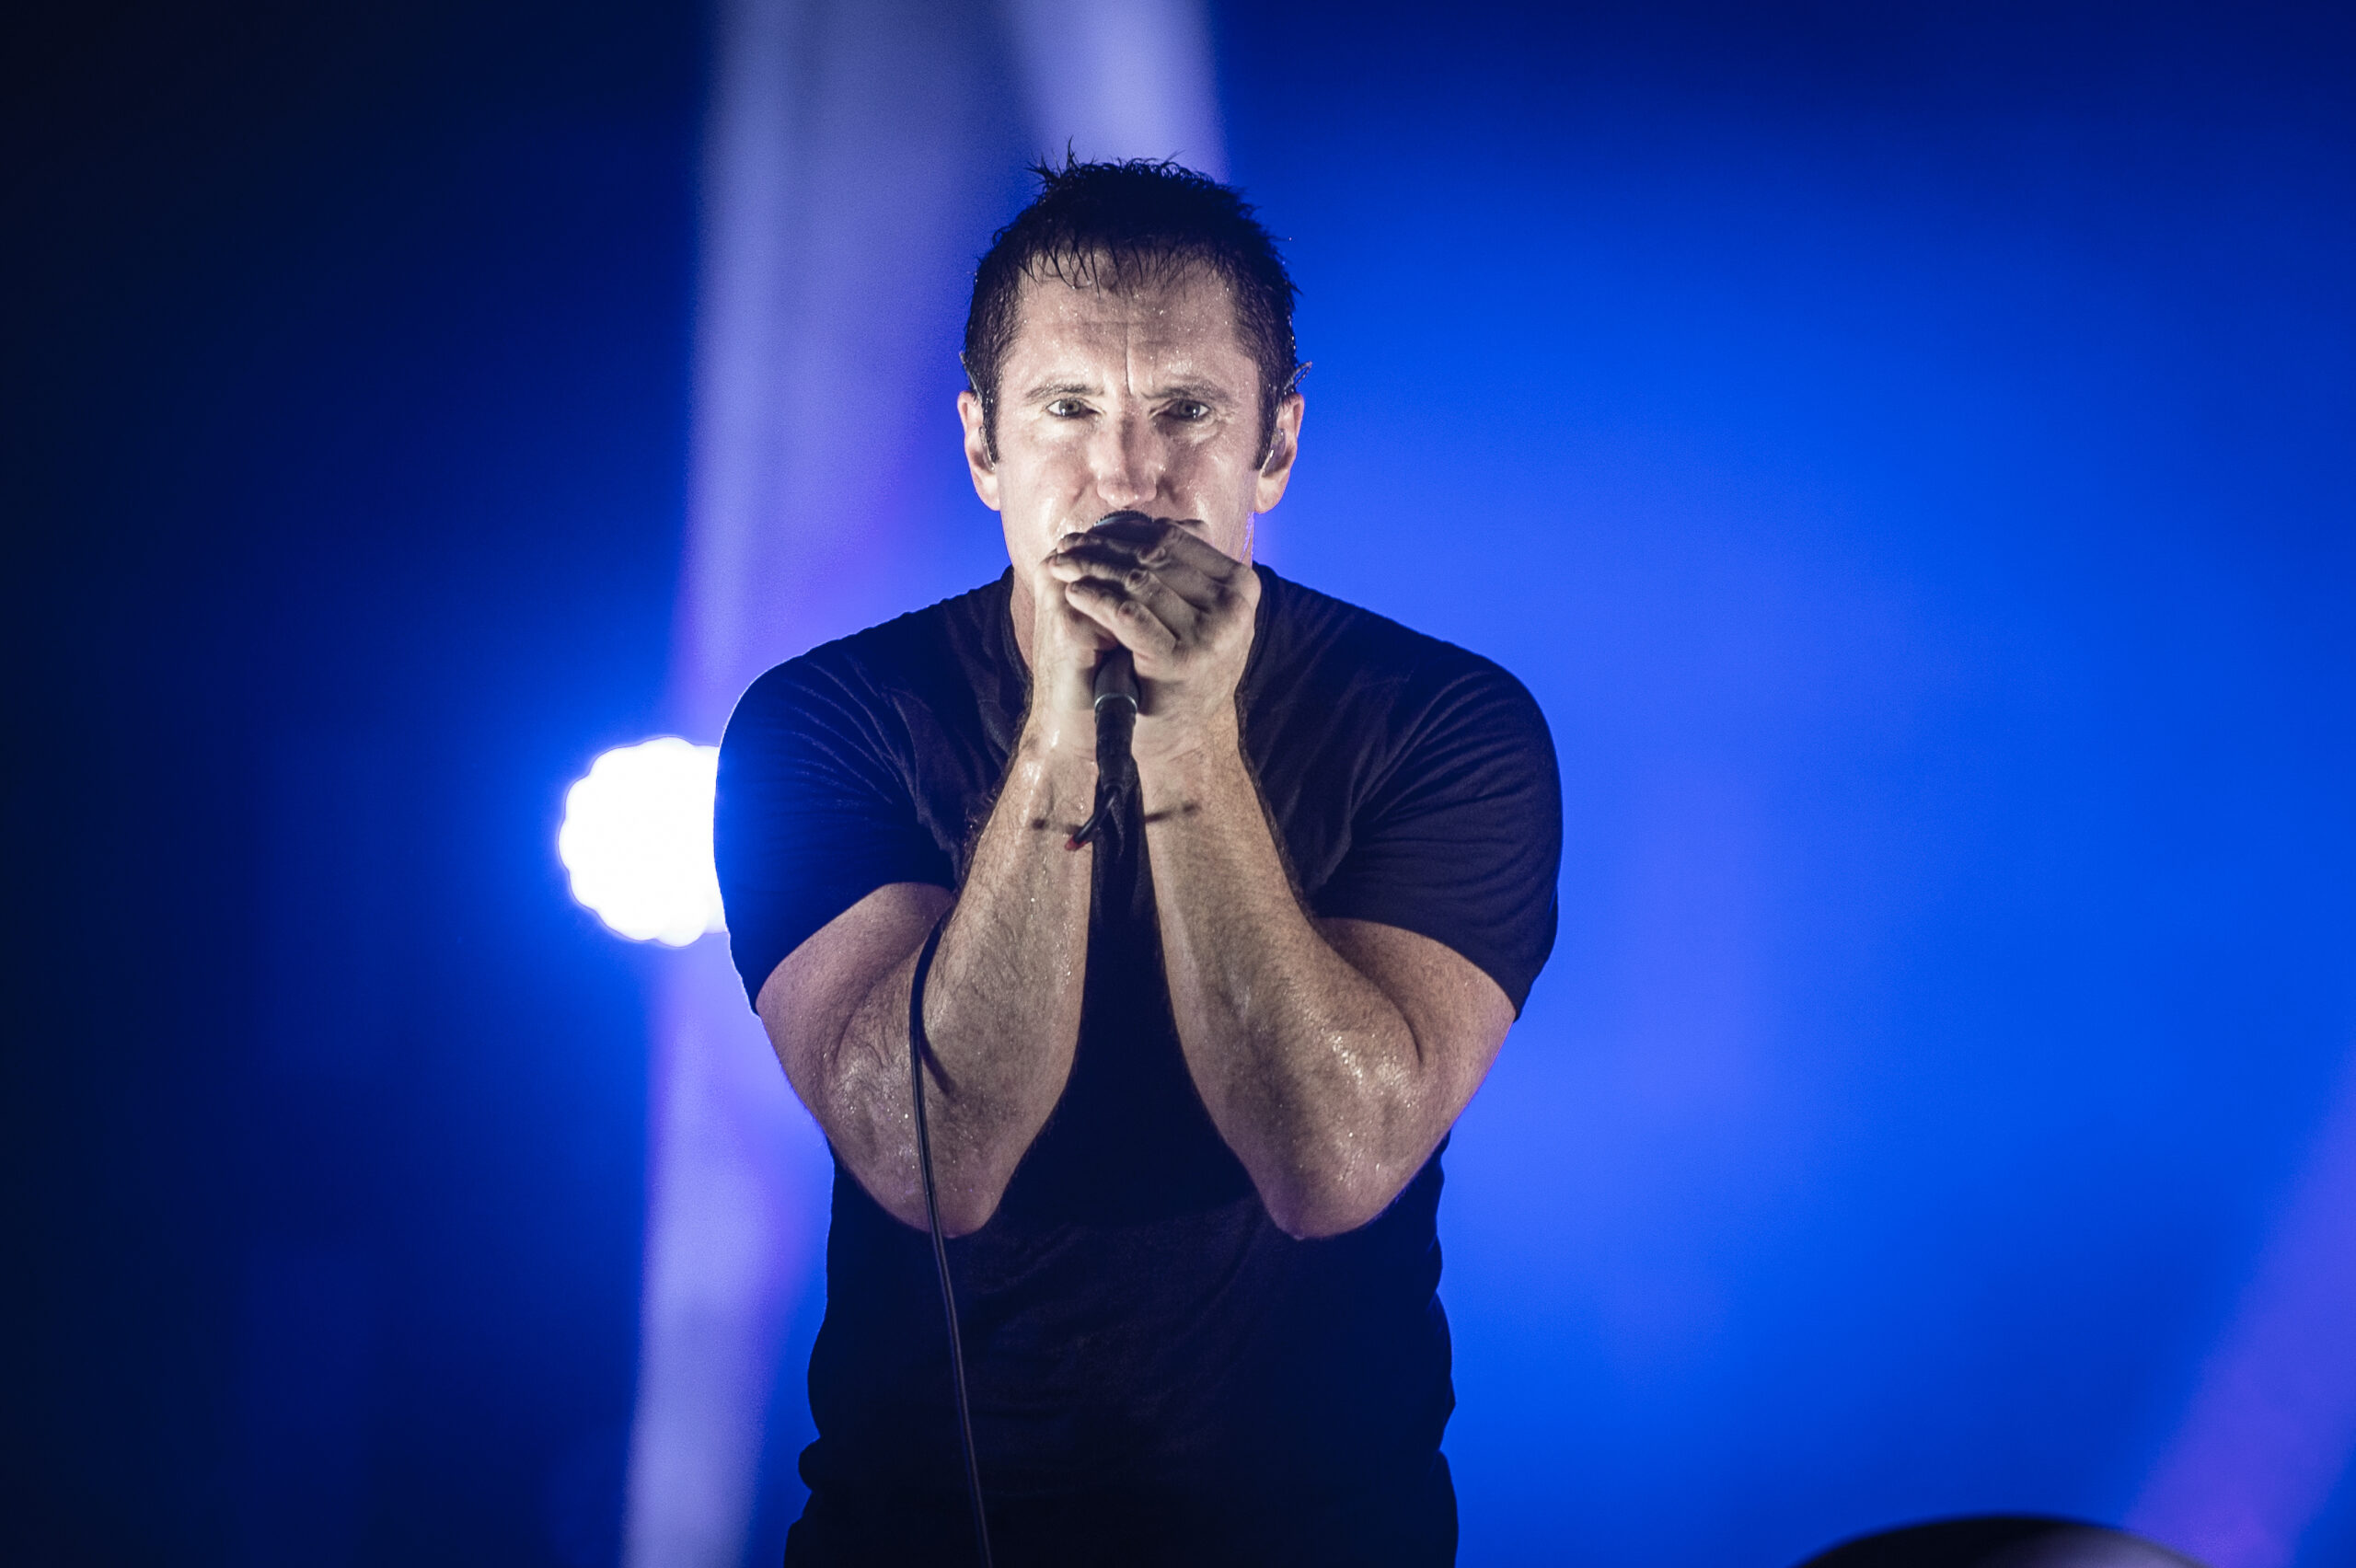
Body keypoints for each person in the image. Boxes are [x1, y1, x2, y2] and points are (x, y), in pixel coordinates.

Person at [714, 158, 1561, 1565]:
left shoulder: (1445, 724)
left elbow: (1332, 1163)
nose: (1127, 473)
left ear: (1274, 444)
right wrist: (1060, 731)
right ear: (982, 445)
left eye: (1187, 411)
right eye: (1067, 411)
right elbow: (931, 1162)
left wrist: (1183, 739)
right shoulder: (828, 724)